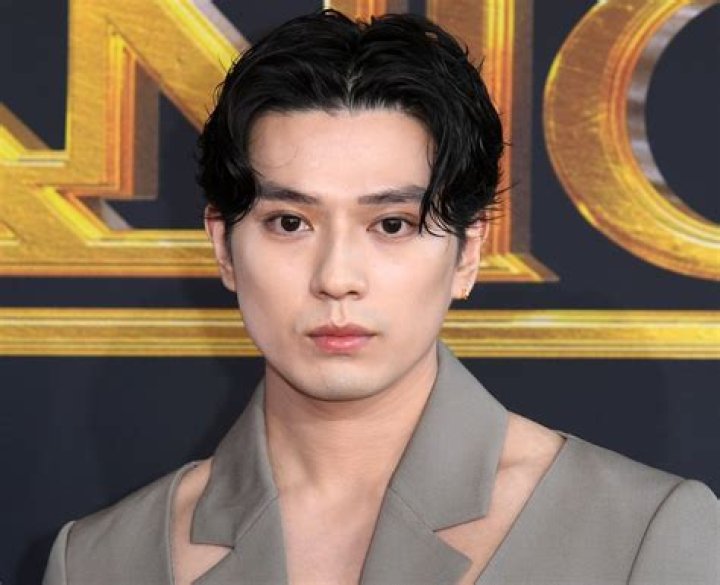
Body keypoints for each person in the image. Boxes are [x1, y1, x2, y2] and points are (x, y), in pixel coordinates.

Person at [43, 9, 718, 585]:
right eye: (290, 223)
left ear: (468, 253)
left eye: (391, 225)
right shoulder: (104, 560)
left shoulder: (641, 534)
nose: (337, 276)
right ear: (224, 245)